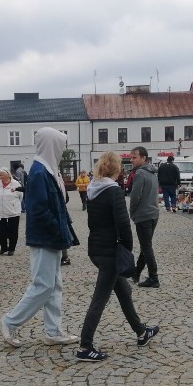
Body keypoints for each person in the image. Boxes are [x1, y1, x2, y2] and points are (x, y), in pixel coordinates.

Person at [0, 127, 80, 348]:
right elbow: (38, 210)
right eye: (60, 146)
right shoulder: (40, 172)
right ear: (52, 145)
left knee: (53, 286)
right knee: (44, 285)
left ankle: (53, 331)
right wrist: (57, 230)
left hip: (50, 237)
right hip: (45, 237)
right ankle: (10, 321)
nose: (62, 150)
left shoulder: (47, 170)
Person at [77, 152, 160, 362]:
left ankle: (141, 333)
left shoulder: (93, 189)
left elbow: (92, 223)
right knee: (99, 299)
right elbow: (123, 224)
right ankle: (85, 346)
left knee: (124, 291)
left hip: (96, 248)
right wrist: (127, 250)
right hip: (111, 252)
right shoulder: (113, 191)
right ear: (117, 169)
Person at [129, 146, 161, 287]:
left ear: (143, 158)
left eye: (134, 157)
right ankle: (137, 272)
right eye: (131, 157)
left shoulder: (140, 173)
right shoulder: (152, 172)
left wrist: (132, 212)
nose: (131, 160)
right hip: (153, 213)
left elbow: (135, 196)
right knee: (145, 245)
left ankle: (154, 277)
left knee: (146, 247)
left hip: (144, 215)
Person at [0, 168, 23, 255]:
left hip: (13, 211)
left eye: (2, 175)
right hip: (0, 211)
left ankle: (11, 248)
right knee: (1, 231)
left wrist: (14, 205)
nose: (0, 177)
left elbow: (20, 196)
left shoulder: (15, 183)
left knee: (13, 231)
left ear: (7, 175)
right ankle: (3, 248)